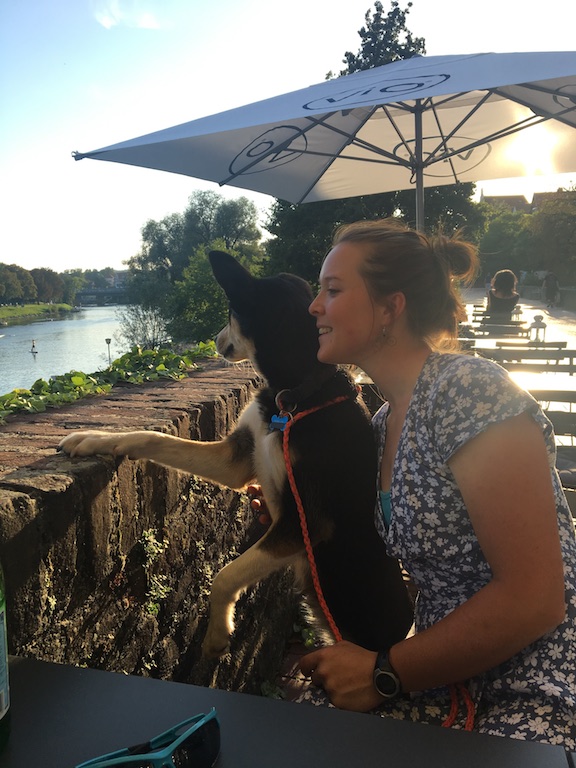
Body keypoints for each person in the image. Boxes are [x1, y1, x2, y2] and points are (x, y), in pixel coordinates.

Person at [297, 219, 576, 749]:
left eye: (332, 290)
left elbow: (536, 599)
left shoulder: (467, 391)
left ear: (390, 307)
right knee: (309, 734)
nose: (314, 306)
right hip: (445, 672)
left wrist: (383, 673)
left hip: (537, 676)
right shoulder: (383, 423)